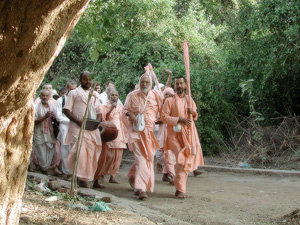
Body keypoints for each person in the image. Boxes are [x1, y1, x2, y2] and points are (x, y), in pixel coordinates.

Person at [123, 64, 163, 200]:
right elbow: (124, 110)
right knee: (141, 160)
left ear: (150, 83)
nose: (144, 84)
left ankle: (134, 177)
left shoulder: (155, 96)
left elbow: (162, 112)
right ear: (139, 83)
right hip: (136, 133)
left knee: (149, 159)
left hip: (150, 134)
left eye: (147, 82)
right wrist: (130, 114)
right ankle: (141, 189)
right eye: (142, 82)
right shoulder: (132, 95)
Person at [161, 76, 204, 199]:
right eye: (177, 84)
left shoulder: (189, 100)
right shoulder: (169, 100)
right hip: (174, 135)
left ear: (185, 85)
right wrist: (178, 120)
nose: (179, 86)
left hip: (189, 135)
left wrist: (192, 112)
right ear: (174, 86)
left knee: (185, 161)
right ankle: (180, 189)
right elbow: (163, 117)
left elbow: (195, 116)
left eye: (181, 83)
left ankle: (179, 188)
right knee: (181, 160)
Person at [63, 71, 103, 188]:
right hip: (78, 127)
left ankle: (84, 177)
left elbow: (99, 111)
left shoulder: (94, 94)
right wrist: (79, 122)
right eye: (85, 79)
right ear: (80, 80)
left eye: (90, 79)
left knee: (90, 153)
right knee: (79, 153)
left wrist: (97, 122)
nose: (88, 81)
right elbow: (66, 110)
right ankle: (79, 178)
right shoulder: (74, 93)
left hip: (91, 129)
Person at [99, 89, 127, 184]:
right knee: (109, 155)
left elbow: (123, 118)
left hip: (119, 133)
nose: (114, 96)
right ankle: (101, 173)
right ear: (109, 96)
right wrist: (111, 108)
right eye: (112, 95)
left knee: (118, 156)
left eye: (116, 95)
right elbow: (104, 118)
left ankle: (112, 176)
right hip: (109, 132)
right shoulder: (105, 106)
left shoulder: (120, 106)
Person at [55, 80, 77, 179]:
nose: (73, 91)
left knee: (74, 150)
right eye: (71, 89)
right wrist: (70, 121)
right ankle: (67, 172)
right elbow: (58, 116)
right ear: (66, 88)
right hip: (65, 127)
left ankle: (75, 172)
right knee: (65, 150)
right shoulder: (61, 100)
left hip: (75, 127)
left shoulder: (77, 99)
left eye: (75, 89)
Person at [33, 89, 57, 175]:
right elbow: (34, 121)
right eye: (43, 95)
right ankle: (44, 168)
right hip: (39, 132)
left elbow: (56, 118)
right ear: (40, 96)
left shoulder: (52, 106)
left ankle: (45, 167)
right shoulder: (35, 107)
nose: (45, 97)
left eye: (47, 96)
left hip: (50, 133)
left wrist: (53, 117)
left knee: (50, 151)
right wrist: (45, 117)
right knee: (41, 151)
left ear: (50, 97)